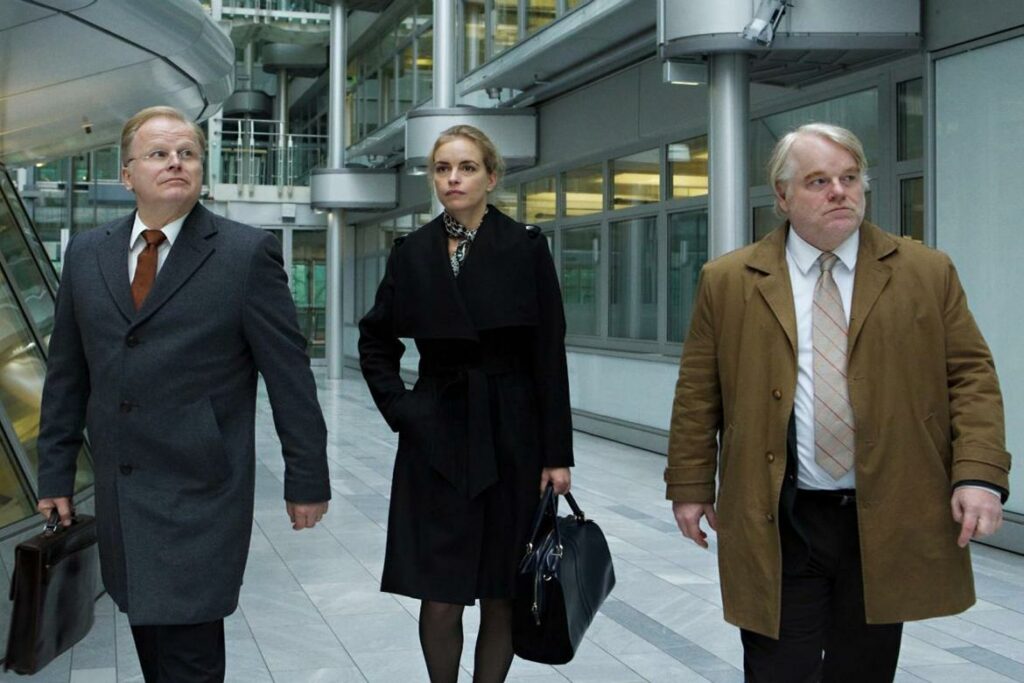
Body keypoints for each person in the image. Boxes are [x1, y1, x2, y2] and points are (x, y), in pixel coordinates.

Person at [665, 122, 1011, 682]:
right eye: (819, 181)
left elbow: (971, 376)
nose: (839, 192)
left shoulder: (925, 272)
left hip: (885, 514)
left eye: (850, 178)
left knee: (863, 669)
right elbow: (698, 392)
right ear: (783, 196)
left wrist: (979, 474)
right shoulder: (729, 280)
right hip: (781, 516)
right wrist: (689, 483)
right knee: (780, 669)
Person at [36, 106, 331, 683]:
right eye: (159, 154)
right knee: (152, 644)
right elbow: (67, 374)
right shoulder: (87, 254)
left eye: (188, 153)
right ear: (127, 175)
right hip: (123, 491)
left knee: (190, 655)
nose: (176, 162)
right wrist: (55, 475)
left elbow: (289, 374)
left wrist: (307, 478)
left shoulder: (245, 254)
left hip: (201, 491)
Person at [358, 124, 574, 682]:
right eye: (442, 168)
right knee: (441, 589)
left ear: (491, 177)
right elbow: (375, 339)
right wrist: (403, 408)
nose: (453, 178)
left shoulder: (525, 246)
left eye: (467, 167)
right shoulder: (412, 252)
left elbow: (549, 354)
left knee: (503, 588)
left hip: (512, 435)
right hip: (437, 434)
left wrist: (556, 455)